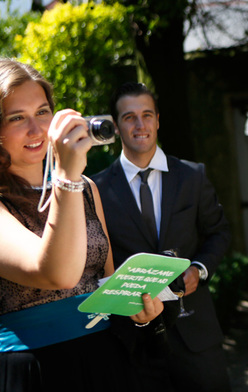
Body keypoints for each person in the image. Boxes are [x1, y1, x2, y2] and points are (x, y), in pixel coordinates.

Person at [0, 59, 162, 391]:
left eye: (43, 113)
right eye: (17, 118)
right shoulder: (69, 183)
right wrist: (66, 177)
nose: (37, 130)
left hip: (105, 356)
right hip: (36, 367)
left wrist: (137, 305)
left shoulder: (86, 187)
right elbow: (55, 274)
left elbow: (104, 278)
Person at [92, 82, 231, 392]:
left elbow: (218, 233)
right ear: (115, 126)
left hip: (195, 332)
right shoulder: (96, 189)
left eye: (147, 115)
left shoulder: (193, 176)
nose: (140, 125)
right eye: (129, 117)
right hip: (131, 339)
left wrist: (200, 269)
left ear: (158, 120)